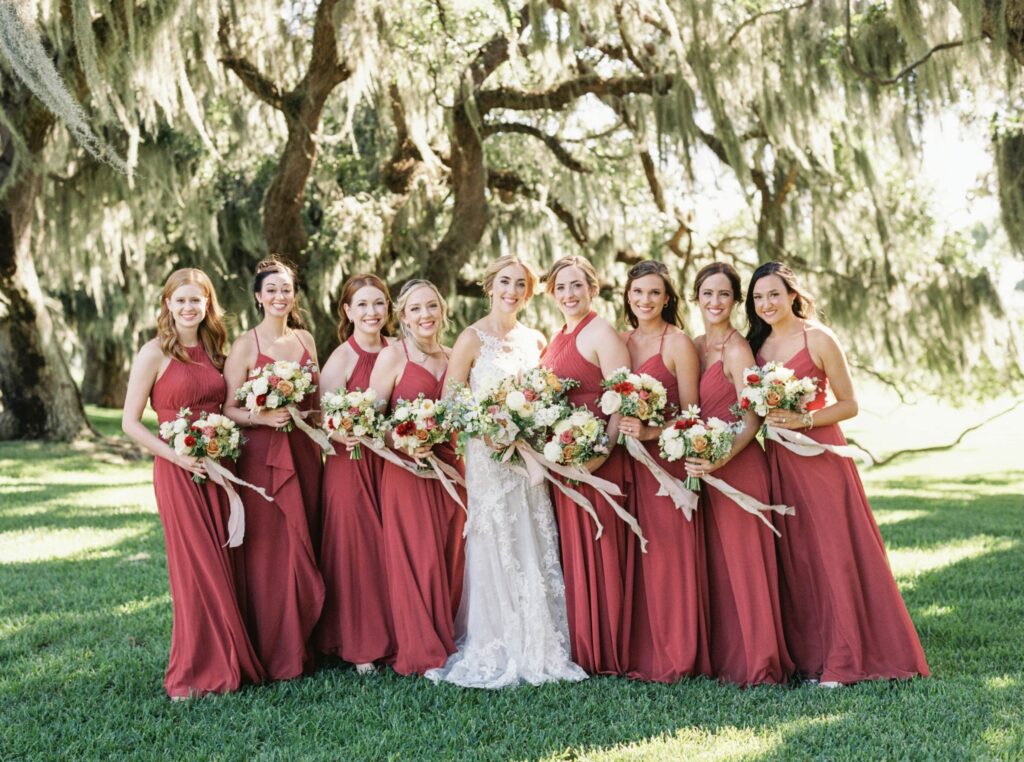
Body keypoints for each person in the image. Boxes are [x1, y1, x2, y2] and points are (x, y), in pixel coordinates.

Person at [748, 261, 929, 685]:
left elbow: (849, 404)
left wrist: (803, 421)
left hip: (820, 456)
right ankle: (813, 657)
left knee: (834, 554)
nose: (766, 304)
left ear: (792, 294)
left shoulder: (819, 337)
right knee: (800, 557)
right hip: (780, 461)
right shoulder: (756, 345)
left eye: (773, 294)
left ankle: (848, 659)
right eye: (757, 298)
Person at [426, 255, 587, 688]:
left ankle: (542, 638)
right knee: (496, 537)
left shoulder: (536, 340)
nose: (511, 290)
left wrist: (528, 423)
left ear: (530, 292)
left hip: (528, 455)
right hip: (488, 456)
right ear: (490, 285)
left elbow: (548, 395)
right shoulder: (471, 337)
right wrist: (487, 428)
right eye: (504, 281)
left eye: (520, 284)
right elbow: (451, 400)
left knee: (533, 534)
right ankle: (496, 639)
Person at [122, 267, 263, 698]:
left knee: (223, 563)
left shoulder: (215, 351)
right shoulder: (154, 353)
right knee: (195, 568)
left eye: (196, 300)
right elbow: (130, 423)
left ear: (207, 306)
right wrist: (178, 456)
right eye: (180, 299)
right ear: (167, 304)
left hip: (219, 469)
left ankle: (231, 660)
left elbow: (226, 407)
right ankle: (193, 673)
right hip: (177, 472)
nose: (188, 307)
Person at [684, 262, 793, 685]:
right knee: (716, 564)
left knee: (746, 563)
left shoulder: (737, 349)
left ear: (735, 301)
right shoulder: (692, 346)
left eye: (724, 295)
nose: (715, 302)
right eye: (707, 294)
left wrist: (721, 458)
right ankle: (726, 659)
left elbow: (753, 419)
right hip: (702, 464)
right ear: (697, 298)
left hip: (738, 464)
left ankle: (761, 663)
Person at [222, 258, 325, 681]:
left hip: (303, 453)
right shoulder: (245, 345)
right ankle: (272, 649)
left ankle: (304, 641)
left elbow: (316, 403)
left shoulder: (305, 339)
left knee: (305, 542)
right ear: (258, 297)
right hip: (262, 456)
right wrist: (262, 419)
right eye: (272, 290)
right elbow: (228, 408)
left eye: (286, 289)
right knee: (270, 551)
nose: (280, 296)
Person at [539, 255, 636, 675]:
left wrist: (602, 452)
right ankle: (584, 645)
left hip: (598, 460)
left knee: (602, 549)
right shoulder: (559, 334)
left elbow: (622, 397)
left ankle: (609, 648)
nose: (569, 294)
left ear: (592, 289)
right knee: (576, 550)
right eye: (561, 287)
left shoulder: (601, 332)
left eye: (577, 285)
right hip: (568, 459)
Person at [614, 260, 710, 683]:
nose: (645, 300)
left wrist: (652, 431)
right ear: (627, 297)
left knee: (669, 557)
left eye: (654, 292)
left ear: (667, 298)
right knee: (638, 556)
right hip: (626, 464)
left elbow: (694, 413)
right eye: (637, 292)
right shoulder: (620, 340)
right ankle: (641, 649)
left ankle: (678, 655)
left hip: (667, 464)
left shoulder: (678, 344)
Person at [368, 279, 466, 675]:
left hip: (451, 470)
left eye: (432, 307)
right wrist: (403, 439)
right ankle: (422, 647)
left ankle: (449, 635)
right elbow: (371, 419)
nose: (425, 315)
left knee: (450, 555)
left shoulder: (455, 354)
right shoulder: (393, 357)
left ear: (442, 310)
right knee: (417, 557)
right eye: (415, 309)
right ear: (403, 316)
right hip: (407, 470)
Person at [315, 274, 395, 673]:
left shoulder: (400, 349)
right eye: (362, 305)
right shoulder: (341, 358)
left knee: (391, 548)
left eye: (378, 303)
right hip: (351, 466)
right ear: (347, 311)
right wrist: (344, 429)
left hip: (395, 464)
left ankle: (398, 633)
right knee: (357, 552)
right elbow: (324, 419)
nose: (371, 312)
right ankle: (360, 643)